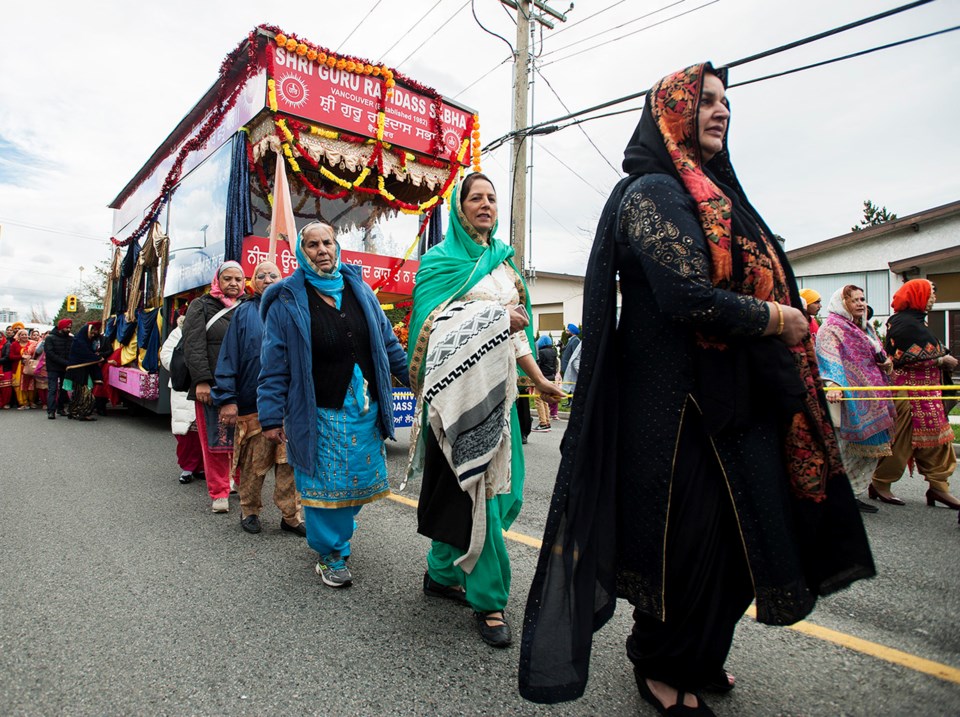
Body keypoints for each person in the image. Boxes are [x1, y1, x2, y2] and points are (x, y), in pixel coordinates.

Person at [519, 64, 875, 715]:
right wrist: (777, 319)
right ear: (670, 112)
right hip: (675, 412)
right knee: (690, 543)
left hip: (739, 404)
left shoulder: (715, 194)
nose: (720, 111)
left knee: (748, 544)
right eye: (705, 101)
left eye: (725, 103)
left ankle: (703, 652)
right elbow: (686, 297)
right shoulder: (650, 192)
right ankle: (660, 661)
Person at [406, 174, 564, 648]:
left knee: (490, 495)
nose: (486, 204)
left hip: (503, 397)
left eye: (492, 198)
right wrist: (495, 317)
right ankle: (490, 601)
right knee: (482, 498)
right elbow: (428, 329)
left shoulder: (504, 265)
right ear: (459, 208)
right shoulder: (439, 263)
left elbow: (518, 333)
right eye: (476, 198)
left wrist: (539, 381)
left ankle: (440, 572)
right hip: (458, 403)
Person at [259, 222, 410, 588]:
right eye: (312, 244)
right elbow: (274, 362)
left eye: (327, 242)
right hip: (318, 411)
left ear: (337, 246)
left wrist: (415, 377)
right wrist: (270, 415)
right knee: (324, 483)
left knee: (357, 482)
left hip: (363, 408)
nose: (322, 249)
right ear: (301, 252)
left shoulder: (360, 289)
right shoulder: (287, 300)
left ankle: (340, 527)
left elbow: (387, 344)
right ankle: (330, 553)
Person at [214, 260, 305, 537]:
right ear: (253, 282)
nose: (267, 279)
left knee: (289, 464)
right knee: (254, 465)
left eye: (273, 274)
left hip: (290, 406)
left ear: (283, 279)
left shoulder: (295, 310)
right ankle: (249, 510)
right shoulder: (243, 313)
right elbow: (228, 357)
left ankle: (291, 516)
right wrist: (228, 399)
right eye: (261, 275)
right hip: (253, 406)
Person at [871, 279, 960, 509]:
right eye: (930, 294)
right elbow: (900, 358)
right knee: (902, 443)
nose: (934, 298)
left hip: (928, 394)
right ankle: (881, 483)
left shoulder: (917, 322)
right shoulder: (903, 324)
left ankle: (939, 487)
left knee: (939, 442)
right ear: (917, 295)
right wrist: (941, 360)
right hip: (909, 394)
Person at [816, 286, 896, 513]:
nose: (861, 303)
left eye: (863, 299)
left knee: (870, 452)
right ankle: (835, 494)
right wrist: (834, 385)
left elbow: (878, 353)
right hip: (846, 398)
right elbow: (828, 358)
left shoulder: (866, 327)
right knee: (844, 450)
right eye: (855, 300)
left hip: (873, 396)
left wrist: (886, 363)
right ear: (842, 302)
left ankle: (853, 494)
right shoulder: (831, 328)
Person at [182, 261, 245, 513]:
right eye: (227, 278)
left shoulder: (249, 305)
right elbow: (193, 345)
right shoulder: (201, 305)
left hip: (244, 385)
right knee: (216, 441)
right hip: (212, 386)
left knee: (244, 440)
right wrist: (201, 381)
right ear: (218, 280)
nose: (233, 283)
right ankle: (219, 491)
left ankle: (241, 483)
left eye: (238, 279)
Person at [159, 314, 204, 485]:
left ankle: (203, 467)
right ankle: (188, 467)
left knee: (206, 432)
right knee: (186, 432)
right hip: (184, 386)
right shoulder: (179, 332)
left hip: (207, 386)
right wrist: (185, 366)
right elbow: (166, 356)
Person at [64, 322, 104, 421]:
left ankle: (74, 411)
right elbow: (86, 355)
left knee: (78, 394)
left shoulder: (83, 341)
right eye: (91, 333)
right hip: (78, 372)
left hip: (81, 371)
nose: (92, 335)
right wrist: (100, 358)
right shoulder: (80, 343)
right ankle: (83, 413)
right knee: (86, 394)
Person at [43, 319, 73, 419]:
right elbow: (50, 354)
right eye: (67, 327)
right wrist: (65, 362)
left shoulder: (70, 339)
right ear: (61, 327)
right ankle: (51, 411)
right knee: (53, 389)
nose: (68, 329)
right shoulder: (50, 338)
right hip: (53, 367)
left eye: (70, 327)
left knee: (64, 389)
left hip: (66, 367)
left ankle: (60, 408)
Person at [532, 334, 559, 432]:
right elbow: (555, 364)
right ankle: (547, 421)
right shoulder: (553, 351)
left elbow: (537, 366)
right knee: (545, 400)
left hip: (542, 378)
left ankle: (543, 423)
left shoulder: (541, 352)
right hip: (551, 377)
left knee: (538, 400)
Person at [10, 329, 37, 409]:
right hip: (18, 368)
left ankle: (31, 402)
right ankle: (23, 403)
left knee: (31, 385)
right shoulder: (14, 344)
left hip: (30, 367)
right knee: (19, 386)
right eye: (22, 335)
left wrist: (30, 357)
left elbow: (37, 354)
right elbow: (11, 356)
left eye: (26, 334)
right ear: (19, 336)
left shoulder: (32, 344)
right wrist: (21, 357)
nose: (24, 336)